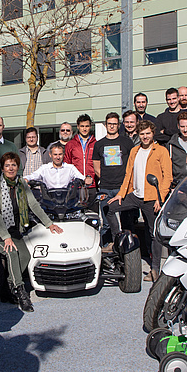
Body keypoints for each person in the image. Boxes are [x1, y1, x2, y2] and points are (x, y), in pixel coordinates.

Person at [0, 152, 65, 312]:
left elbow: (34, 205)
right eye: (7, 165)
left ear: (18, 167)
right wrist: (6, 237)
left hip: (14, 229)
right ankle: (20, 292)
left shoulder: (21, 183)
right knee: (12, 252)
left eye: (13, 165)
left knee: (26, 255)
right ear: (2, 168)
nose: (10, 168)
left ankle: (8, 288)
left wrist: (49, 224)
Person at [108, 120, 173, 282]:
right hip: (134, 195)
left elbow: (167, 177)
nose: (145, 136)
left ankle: (155, 269)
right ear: (138, 135)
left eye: (148, 133)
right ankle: (117, 241)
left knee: (153, 233)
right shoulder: (135, 151)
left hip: (152, 198)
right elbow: (128, 174)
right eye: (142, 134)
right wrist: (121, 194)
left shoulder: (161, 151)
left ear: (153, 134)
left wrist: (160, 197)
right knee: (109, 209)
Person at [92, 112, 135, 245]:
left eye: (114, 124)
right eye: (109, 124)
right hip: (105, 187)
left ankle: (129, 252)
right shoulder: (99, 144)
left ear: (119, 125)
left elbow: (132, 164)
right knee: (106, 223)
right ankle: (107, 250)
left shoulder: (127, 142)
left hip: (123, 188)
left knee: (127, 222)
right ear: (105, 125)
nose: (112, 126)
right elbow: (96, 167)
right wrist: (106, 178)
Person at [63, 114, 97, 204]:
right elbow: (67, 166)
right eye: (82, 126)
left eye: (87, 126)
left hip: (92, 185)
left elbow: (98, 165)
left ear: (90, 127)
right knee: (76, 215)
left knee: (93, 215)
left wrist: (92, 177)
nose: (84, 129)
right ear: (78, 127)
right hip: (76, 187)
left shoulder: (96, 144)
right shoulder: (70, 144)